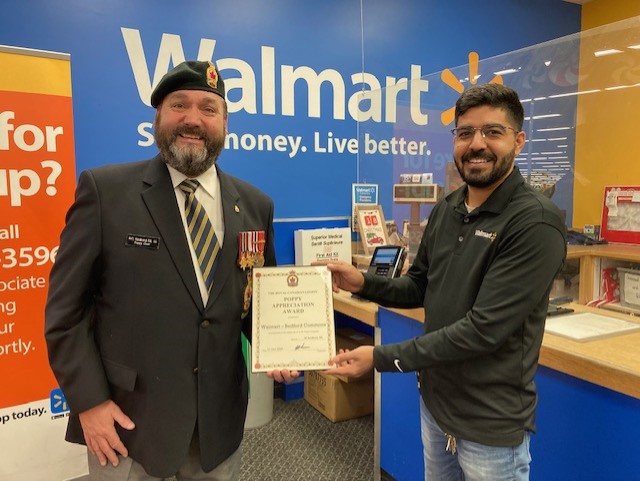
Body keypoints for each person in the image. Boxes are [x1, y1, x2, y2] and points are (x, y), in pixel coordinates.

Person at [45, 60, 296, 481]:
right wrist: (89, 403)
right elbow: (64, 313)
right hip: (128, 425)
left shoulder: (255, 205)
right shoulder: (105, 192)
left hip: (218, 424)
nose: (193, 119)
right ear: (158, 118)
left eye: (208, 109)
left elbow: (258, 302)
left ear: (225, 123)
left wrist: (287, 344)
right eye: (179, 105)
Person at [325, 83, 567, 480]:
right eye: (465, 132)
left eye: (493, 131)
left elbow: (483, 330)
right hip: (435, 403)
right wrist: (362, 283)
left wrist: (380, 358)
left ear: (518, 141)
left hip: (490, 422)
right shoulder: (447, 209)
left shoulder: (534, 222)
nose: (477, 144)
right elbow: (419, 286)